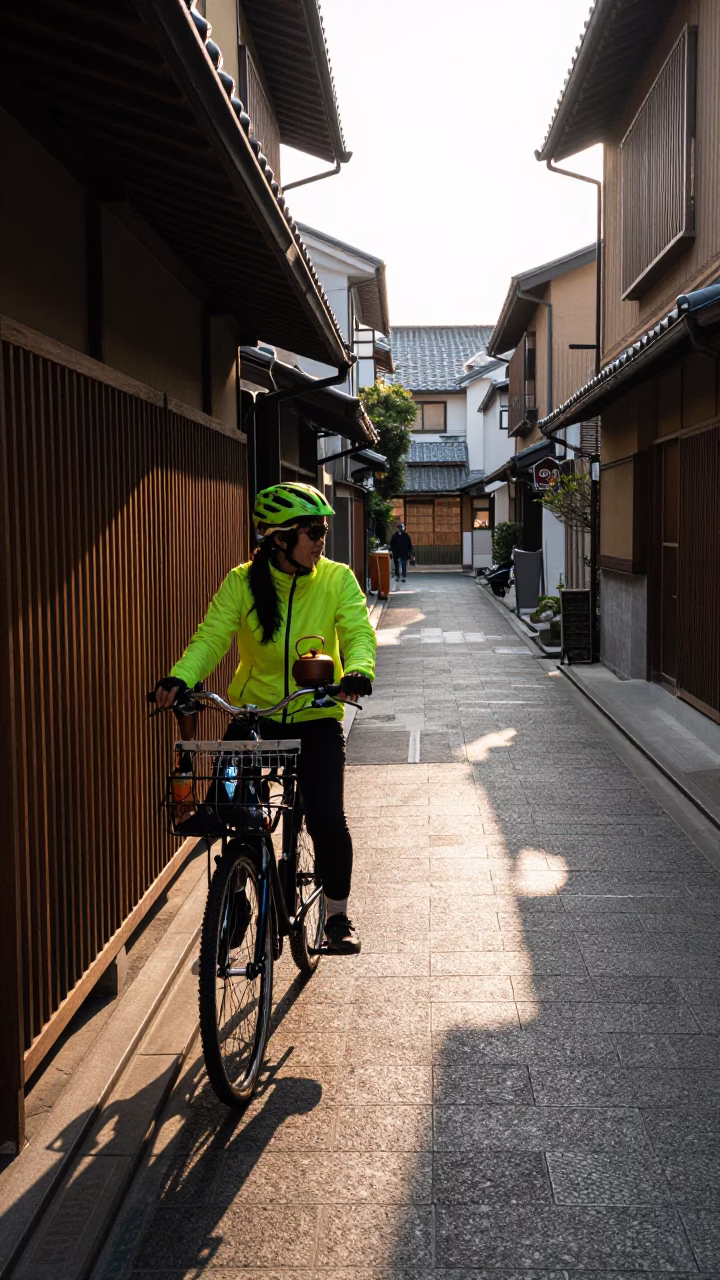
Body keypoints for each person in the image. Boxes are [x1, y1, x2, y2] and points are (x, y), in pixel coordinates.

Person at [153, 482, 376, 954]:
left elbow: (357, 630)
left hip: (315, 716)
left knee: (326, 820)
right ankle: (234, 892)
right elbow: (211, 637)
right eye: (312, 531)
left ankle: (337, 917)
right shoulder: (241, 582)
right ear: (280, 538)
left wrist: (357, 669)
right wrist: (180, 676)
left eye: (323, 530)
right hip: (255, 717)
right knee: (224, 809)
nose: (321, 539)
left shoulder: (336, 579)